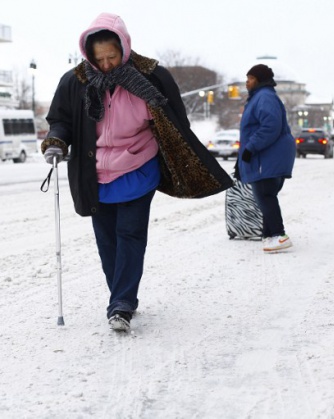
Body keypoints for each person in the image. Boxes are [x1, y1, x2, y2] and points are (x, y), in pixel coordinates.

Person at [42, 12, 232, 332]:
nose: (105, 65)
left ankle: (122, 304)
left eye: (111, 57)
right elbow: (60, 119)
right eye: (98, 58)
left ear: (124, 48)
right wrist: (56, 141)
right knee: (106, 240)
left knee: (129, 234)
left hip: (138, 166)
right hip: (94, 172)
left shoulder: (151, 77)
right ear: (88, 54)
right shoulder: (76, 81)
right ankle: (121, 293)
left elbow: (175, 121)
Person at [236, 64, 296, 252]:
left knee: (265, 195)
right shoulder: (261, 97)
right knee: (266, 195)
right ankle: (269, 236)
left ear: (260, 80)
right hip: (269, 156)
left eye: (251, 78)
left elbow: (270, 126)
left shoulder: (264, 97)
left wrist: (250, 148)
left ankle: (279, 235)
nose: (247, 82)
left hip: (267, 156)